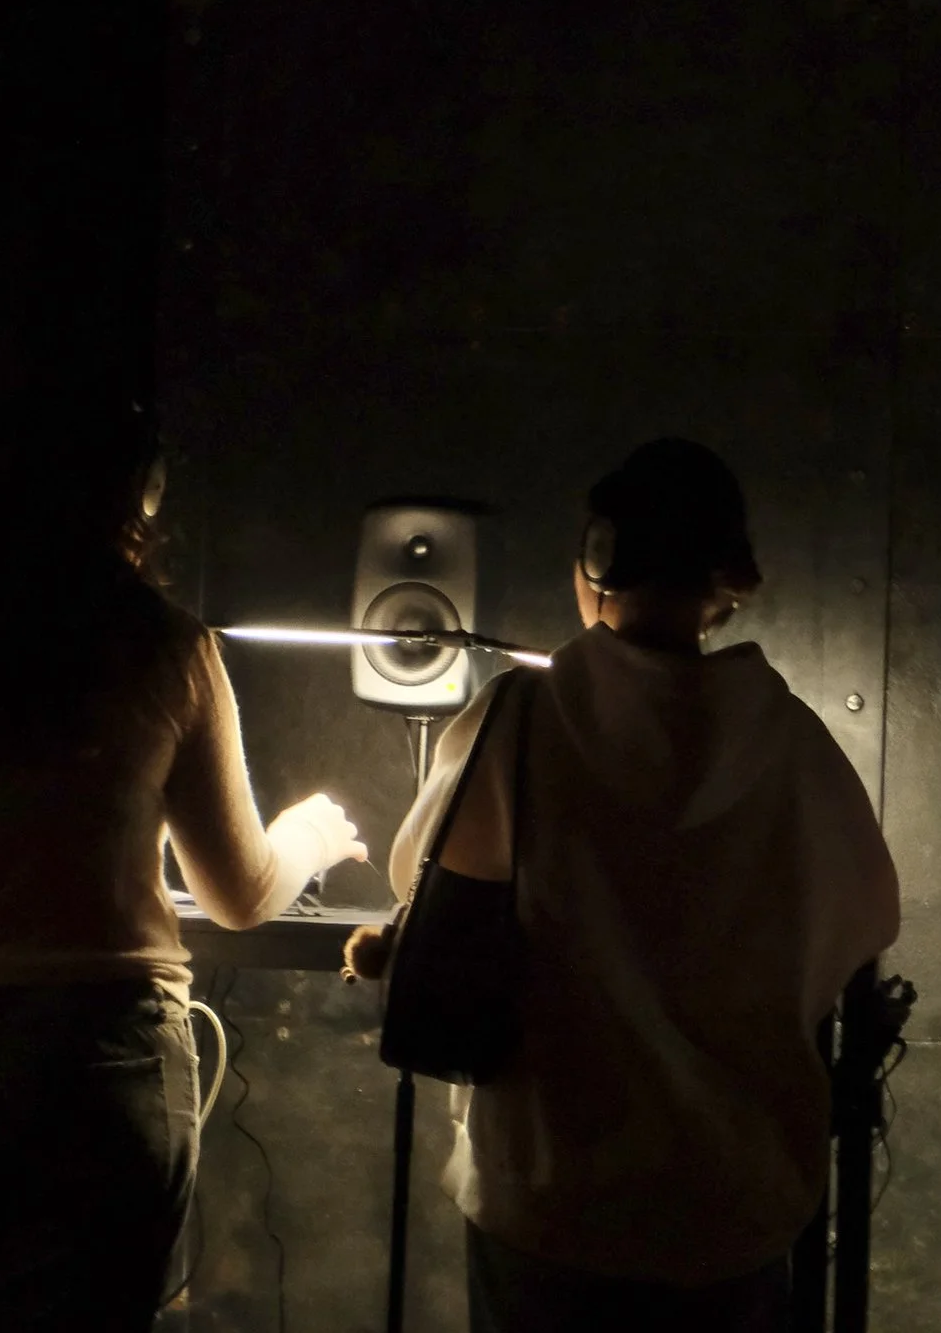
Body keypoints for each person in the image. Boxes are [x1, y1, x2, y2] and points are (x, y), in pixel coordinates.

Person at [0, 396, 365, 1333]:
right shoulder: (167, 645)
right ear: (133, 499)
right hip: (104, 1053)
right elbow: (239, 893)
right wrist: (309, 834)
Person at [379, 438, 901, 1333]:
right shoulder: (792, 740)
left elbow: (421, 878)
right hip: (732, 1203)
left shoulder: (522, 718)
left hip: (550, 1195)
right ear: (726, 575)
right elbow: (866, 916)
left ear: (599, 555)